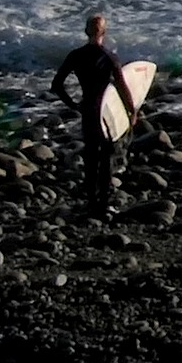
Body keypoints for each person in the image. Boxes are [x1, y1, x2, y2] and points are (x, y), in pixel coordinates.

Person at [51, 13, 136, 216]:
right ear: (104, 32)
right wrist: (131, 111)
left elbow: (56, 85)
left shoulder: (76, 55)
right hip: (105, 111)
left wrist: (73, 105)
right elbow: (122, 88)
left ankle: (90, 200)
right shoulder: (109, 57)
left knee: (90, 154)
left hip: (87, 109)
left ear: (85, 31)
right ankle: (104, 203)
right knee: (106, 156)